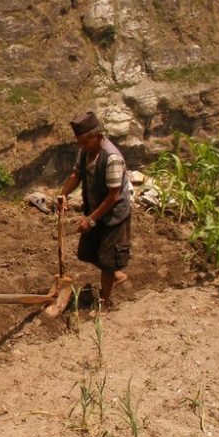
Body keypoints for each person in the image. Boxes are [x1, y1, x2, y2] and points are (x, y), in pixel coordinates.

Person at [56, 111, 133, 309]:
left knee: (107, 261)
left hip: (113, 215)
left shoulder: (111, 158)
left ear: (97, 136)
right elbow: (76, 174)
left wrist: (90, 220)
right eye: (78, 141)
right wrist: (64, 194)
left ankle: (106, 302)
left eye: (83, 141)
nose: (80, 145)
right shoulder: (85, 151)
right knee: (86, 252)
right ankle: (116, 274)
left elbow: (113, 196)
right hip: (95, 209)